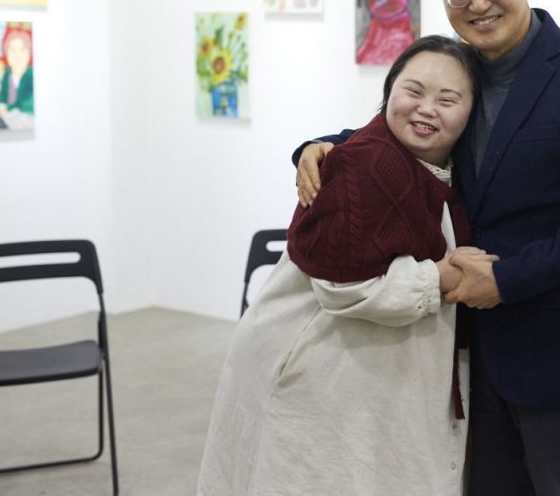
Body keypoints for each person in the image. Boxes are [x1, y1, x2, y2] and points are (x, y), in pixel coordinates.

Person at [296, 0, 560, 495]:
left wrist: (505, 279)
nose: (478, 3)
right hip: (472, 355)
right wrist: (319, 146)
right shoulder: (460, 71)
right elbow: (405, 127)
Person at [198, 36, 489, 495]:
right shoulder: (362, 167)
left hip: (367, 377)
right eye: (413, 91)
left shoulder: (450, 171)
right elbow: (346, 286)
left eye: (447, 100)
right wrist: (442, 276)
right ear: (388, 93)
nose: (426, 109)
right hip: (311, 371)